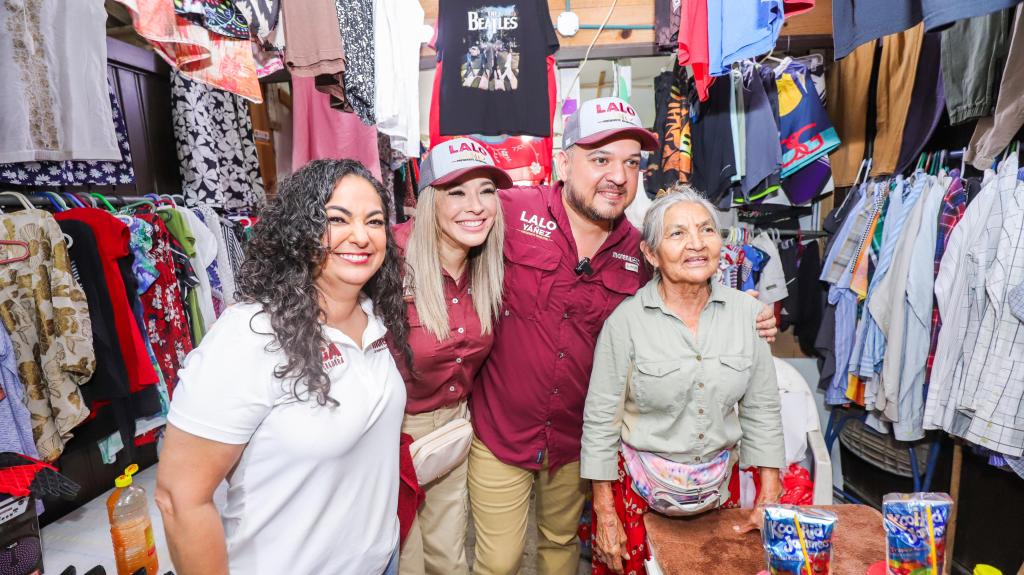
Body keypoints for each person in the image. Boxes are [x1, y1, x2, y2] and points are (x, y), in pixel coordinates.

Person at [468, 96, 779, 575]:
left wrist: (746, 313)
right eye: (600, 159)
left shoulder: (642, 249)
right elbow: (437, 234)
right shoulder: (509, 212)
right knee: (500, 561)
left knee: (560, 548)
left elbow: (687, 293)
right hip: (501, 429)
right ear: (563, 161)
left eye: (632, 163)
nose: (618, 175)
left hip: (577, 441)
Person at [155, 159, 412, 575]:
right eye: (336, 219)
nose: (361, 236)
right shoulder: (251, 335)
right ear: (300, 231)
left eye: (375, 221)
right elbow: (179, 498)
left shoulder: (375, 317)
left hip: (381, 561)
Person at [581, 187, 785, 574]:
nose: (696, 244)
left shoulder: (749, 315)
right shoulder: (625, 323)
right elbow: (600, 423)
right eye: (677, 234)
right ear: (651, 254)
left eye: (707, 230)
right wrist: (604, 511)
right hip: (638, 496)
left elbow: (762, 409)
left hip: (717, 491)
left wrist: (768, 492)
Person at [394, 138, 512, 575]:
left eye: (486, 191)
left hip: (453, 428)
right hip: (393, 432)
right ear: (429, 201)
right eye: (457, 191)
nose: (476, 205)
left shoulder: (491, 264)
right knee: (403, 555)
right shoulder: (388, 257)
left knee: (448, 554)